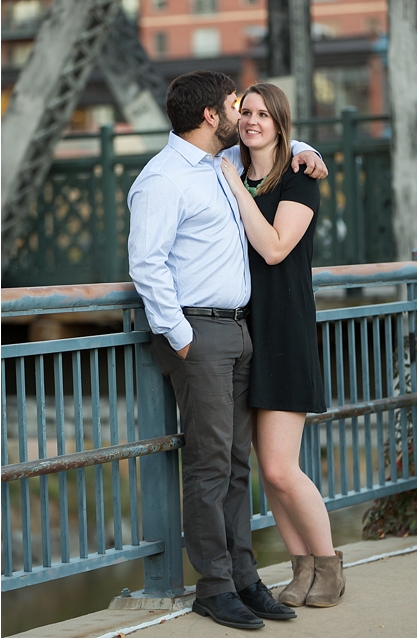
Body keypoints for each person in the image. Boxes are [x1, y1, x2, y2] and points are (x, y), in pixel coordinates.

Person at [128, 70, 328, 630]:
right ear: (214, 116)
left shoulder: (222, 166)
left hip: (240, 331)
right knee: (211, 465)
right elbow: (147, 262)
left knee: (237, 466)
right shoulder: (164, 178)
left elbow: (277, 148)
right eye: (236, 107)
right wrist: (180, 335)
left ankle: (244, 578)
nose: (244, 116)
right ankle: (214, 587)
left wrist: (307, 151)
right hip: (201, 334)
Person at [219, 82, 346, 610]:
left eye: (263, 115)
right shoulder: (229, 164)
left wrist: (238, 187)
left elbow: (273, 248)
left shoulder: (299, 177)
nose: (252, 121)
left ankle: (331, 566)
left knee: (279, 467)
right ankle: (301, 569)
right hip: (244, 330)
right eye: (245, 112)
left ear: (280, 123)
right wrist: (232, 176)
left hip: (285, 330)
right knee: (265, 466)